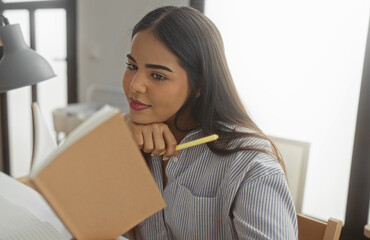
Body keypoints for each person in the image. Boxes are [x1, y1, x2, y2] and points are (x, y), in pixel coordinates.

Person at [122, 6, 298, 240]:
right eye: (132, 66)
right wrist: (118, 141)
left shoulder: (252, 166)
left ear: (200, 85)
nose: (135, 85)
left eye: (158, 76)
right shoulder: (135, 139)